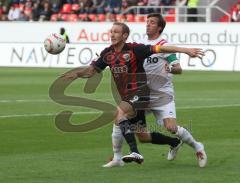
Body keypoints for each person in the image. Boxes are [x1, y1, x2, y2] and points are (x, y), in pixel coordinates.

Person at [62, 22, 204, 165]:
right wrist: (76, 74)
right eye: (111, 32)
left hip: (140, 93)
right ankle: (174, 142)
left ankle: (132, 153)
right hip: (128, 97)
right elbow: (91, 71)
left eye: (116, 32)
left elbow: (162, 48)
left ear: (124, 35)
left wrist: (185, 50)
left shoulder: (135, 49)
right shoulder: (107, 53)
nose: (112, 34)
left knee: (119, 114)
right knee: (143, 136)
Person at [103, 14, 207, 168]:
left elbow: (178, 69)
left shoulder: (165, 45)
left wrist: (170, 67)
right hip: (142, 95)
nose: (148, 25)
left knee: (171, 127)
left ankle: (198, 147)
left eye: (152, 23)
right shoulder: (140, 45)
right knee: (135, 130)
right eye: (147, 22)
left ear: (159, 27)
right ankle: (118, 157)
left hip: (162, 95)